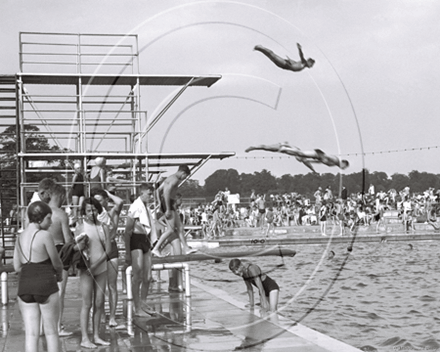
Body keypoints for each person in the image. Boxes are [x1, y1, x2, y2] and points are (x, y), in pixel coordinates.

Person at [13, 201, 63, 352]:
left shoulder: (19, 238)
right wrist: (59, 276)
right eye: (49, 218)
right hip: (45, 283)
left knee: (31, 334)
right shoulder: (44, 235)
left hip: (25, 286)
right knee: (51, 332)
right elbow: (57, 263)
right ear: (40, 218)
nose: (51, 222)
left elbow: (16, 267)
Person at [75, 198, 111, 348]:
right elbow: (76, 249)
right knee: (87, 303)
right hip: (86, 270)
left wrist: (96, 265)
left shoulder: (104, 226)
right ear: (84, 212)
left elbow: (108, 250)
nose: (92, 213)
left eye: (94, 210)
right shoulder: (80, 226)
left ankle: (96, 335)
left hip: (100, 267)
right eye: (89, 210)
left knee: (99, 302)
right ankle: (85, 337)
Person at [124, 183, 158, 317]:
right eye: (149, 194)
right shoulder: (135, 207)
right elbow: (127, 231)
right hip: (136, 240)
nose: (151, 197)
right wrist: (127, 252)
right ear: (142, 193)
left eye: (151, 194)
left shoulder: (147, 208)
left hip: (146, 240)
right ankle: (137, 307)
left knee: (148, 277)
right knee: (137, 275)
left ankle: (143, 303)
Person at [92, 188, 124, 327]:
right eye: (95, 201)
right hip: (98, 250)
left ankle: (112, 316)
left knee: (112, 285)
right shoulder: (93, 215)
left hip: (111, 248)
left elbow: (120, 202)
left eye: (100, 200)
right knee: (99, 286)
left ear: (105, 201)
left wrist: (108, 193)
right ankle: (101, 314)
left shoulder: (112, 213)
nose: (97, 204)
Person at [151, 165, 197, 257]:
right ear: (183, 173)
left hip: (167, 203)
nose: (185, 178)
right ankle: (156, 248)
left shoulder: (170, 178)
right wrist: (167, 208)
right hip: (169, 203)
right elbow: (166, 192)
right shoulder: (174, 179)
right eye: (185, 176)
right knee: (171, 230)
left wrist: (160, 203)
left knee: (180, 227)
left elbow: (157, 191)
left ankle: (186, 248)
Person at [48, 184, 75, 336]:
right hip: (59, 251)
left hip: (42, 252)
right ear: (61, 196)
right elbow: (67, 239)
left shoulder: (40, 211)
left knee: (44, 292)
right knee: (59, 291)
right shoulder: (61, 214)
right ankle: (57, 326)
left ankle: (42, 326)